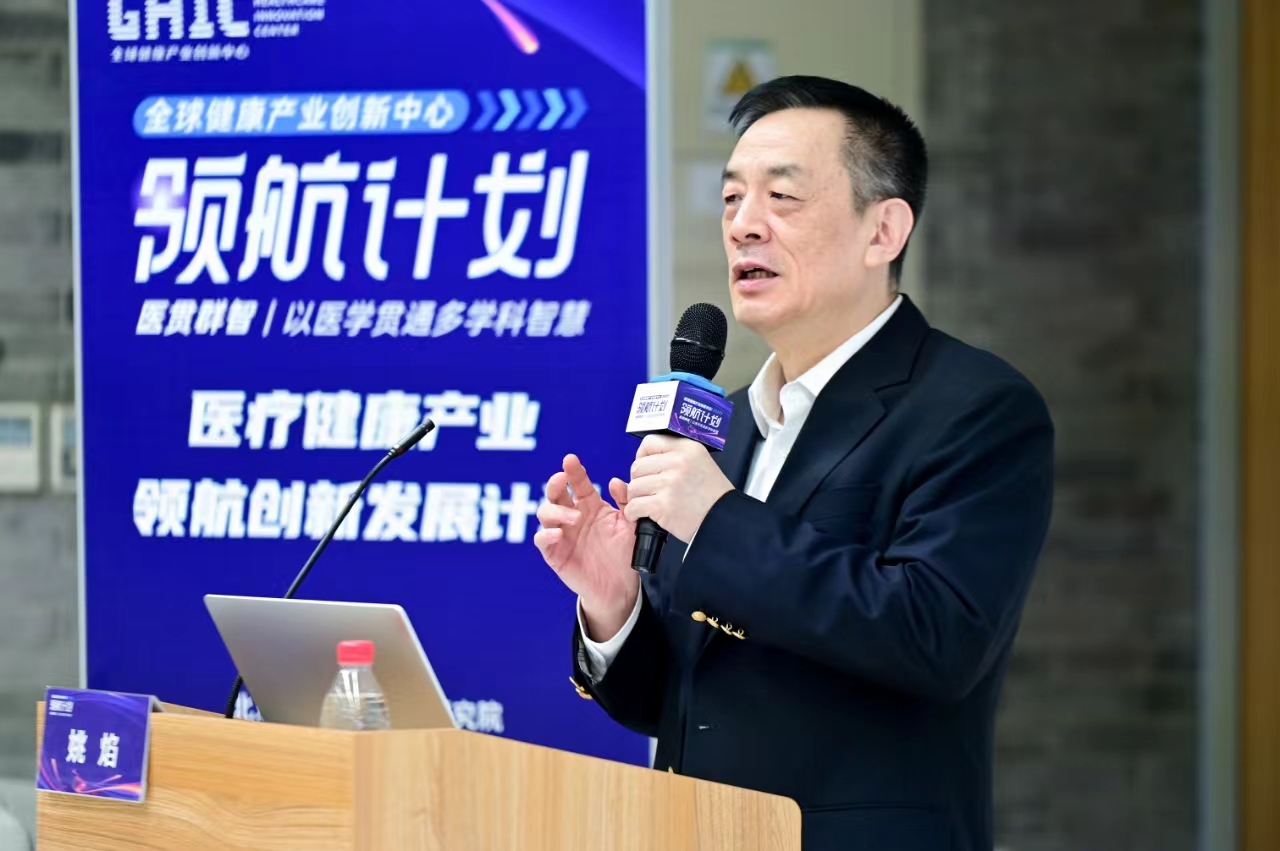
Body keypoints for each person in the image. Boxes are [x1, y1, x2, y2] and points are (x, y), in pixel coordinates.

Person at [534, 75, 1054, 851]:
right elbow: (683, 703)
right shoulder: (729, 422)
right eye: (731, 198)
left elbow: (937, 638)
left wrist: (718, 521)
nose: (745, 225)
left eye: (782, 197)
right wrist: (615, 605)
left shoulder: (976, 408)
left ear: (883, 230)